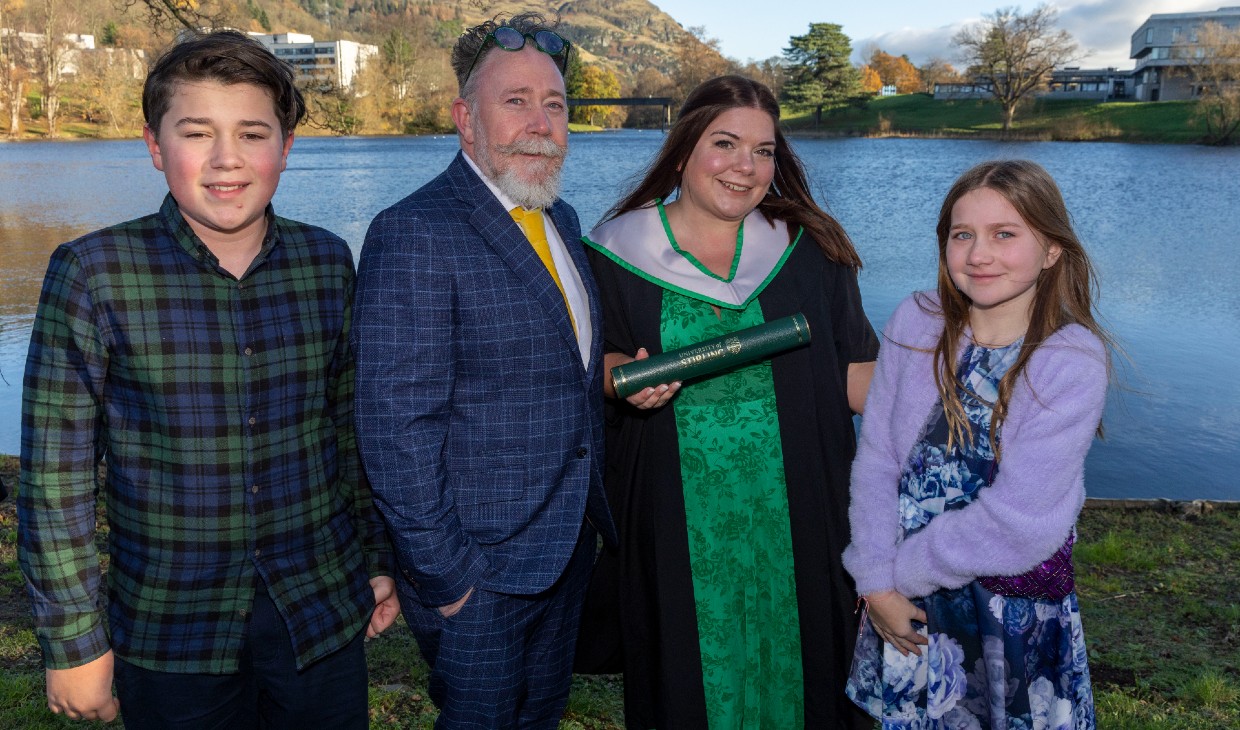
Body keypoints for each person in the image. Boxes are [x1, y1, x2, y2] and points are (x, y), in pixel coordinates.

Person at [17, 30, 398, 728]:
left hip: (319, 617)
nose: (227, 159)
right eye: (197, 133)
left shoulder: (326, 262)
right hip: (171, 633)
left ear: (285, 146)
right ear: (155, 145)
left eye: (253, 134)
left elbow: (349, 431)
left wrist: (376, 557)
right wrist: (74, 643)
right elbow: (54, 478)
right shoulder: (95, 273)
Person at [576, 75, 877, 728]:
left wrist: (952, 381)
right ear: (684, 147)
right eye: (725, 143)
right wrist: (614, 375)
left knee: (808, 680)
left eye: (764, 151)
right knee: (690, 683)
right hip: (675, 525)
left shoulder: (810, 248)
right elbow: (584, 366)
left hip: (801, 515)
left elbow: (854, 372)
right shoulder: (610, 254)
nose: (746, 166)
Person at [351, 12, 616, 729]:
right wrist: (448, 578)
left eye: (554, 104)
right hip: (478, 576)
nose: (540, 123)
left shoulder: (561, 220)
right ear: (466, 119)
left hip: (564, 553)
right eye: (516, 101)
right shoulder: (415, 231)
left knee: (540, 717)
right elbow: (395, 427)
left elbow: (561, 371)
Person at [842, 160, 1109, 728]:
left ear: (1052, 249)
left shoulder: (1070, 360)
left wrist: (895, 577)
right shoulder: (917, 322)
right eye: (962, 235)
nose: (979, 254)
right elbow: (878, 459)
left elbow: (1019, 521)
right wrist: (874, 578)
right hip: (903, 599)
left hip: (1002, 609)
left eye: (1004, 234)